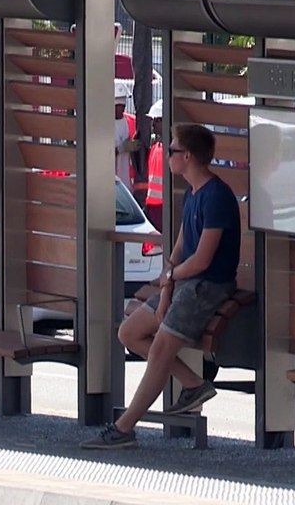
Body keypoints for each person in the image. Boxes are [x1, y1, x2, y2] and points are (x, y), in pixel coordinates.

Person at [81, 123, 240, 450]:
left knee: (159, 348)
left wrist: (170, 279)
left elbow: (202, 261)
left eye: (171, 149)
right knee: (128, 333)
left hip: (208, 286)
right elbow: (180, 249)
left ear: (188, 156)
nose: (165, 154)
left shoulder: (218, 197)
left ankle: (124, 428)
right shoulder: (192, 193)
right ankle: (194, 383)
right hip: (185, 283)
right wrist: (167, 285)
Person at [143, 99, 165, 229]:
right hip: (152, 207)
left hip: (164, 208)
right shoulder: (155, 147)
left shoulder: (171, 151)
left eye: (157, 120)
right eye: (153, 120)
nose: (153, 124)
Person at [113, 81, 138, 185]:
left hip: (126, 180)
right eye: (117, 106)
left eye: (122, 106)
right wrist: (120, 149)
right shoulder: (103, 125)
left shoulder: (129, 122)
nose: (120, 110)